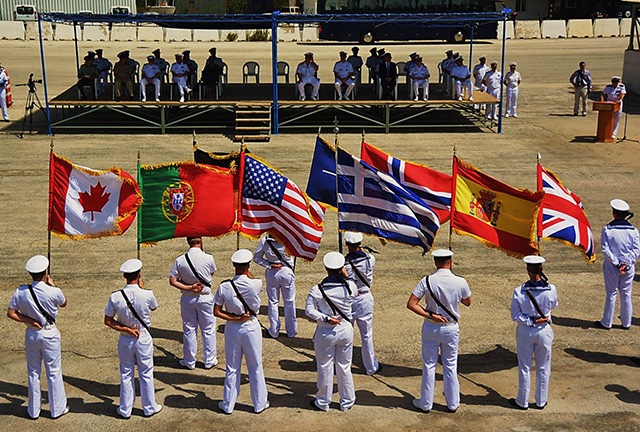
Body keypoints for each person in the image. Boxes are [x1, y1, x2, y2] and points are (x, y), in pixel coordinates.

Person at [406, 249, 471, 413]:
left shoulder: (427, 281)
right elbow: (467, 302)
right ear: (451, 261)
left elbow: (411, 304)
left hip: (430, 326)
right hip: (451, 327)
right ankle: (453, 403)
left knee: (429, 365)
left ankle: (426, 403)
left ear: (435, 262)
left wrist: (429, 314)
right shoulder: (460, 281)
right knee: (450, 365)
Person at [7, 255, 69, 419]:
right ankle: (57, 409)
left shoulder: (21, 291)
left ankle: (33, 411)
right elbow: (63, 303)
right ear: (45, 272)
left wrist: (29, 321)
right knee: (54, 371)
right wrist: (53, 285)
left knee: (33, 372)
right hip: (49, 333)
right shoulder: (53, 291)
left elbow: (11, 313)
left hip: (32, 333)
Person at [104, 259, 162, 418]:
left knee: (126, 373)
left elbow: (108, 320)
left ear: (125, 276)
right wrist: (142, 289)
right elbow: (154, 307)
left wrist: (126, 328)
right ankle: (149, 407)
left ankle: (125, 409)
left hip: (125, 338)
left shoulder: (115, 296)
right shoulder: (147, 294)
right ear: (139, 275)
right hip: (143, 337)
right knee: (146, 372)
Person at [214, 249, 270, 414]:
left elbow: (216, 311)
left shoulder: (224, 286)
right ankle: (259, 403)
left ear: (233, 265)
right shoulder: (256, 283)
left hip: (232, 326)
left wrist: (236, 319)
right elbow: (252, 279)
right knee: (255, 366)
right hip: (251, 326)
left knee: (232, 367)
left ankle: (228, 404)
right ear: (248, 265)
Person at [306, 252, 357, 412]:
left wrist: (326, 318)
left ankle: (323, 401)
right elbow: (353, 292)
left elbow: (309, 311)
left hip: (325, 331)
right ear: (342, 268)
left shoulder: (317, 289)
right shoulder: (351, 286)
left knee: (324, 366)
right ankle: (347, 401)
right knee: (344, 366)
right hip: (345, 329)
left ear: (326, 268)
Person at [509, 255, 558, 411]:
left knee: (525, 366)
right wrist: (540, 318)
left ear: (527, 270)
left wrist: (531, 321)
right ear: (541, 269)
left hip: (525, 331)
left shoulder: (519, 291)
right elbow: (553, 305)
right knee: (544, 366)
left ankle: (522, 401)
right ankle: (541, 401)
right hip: (544, 330)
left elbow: (515, 316)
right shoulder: (552, 289)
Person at [169, 236, 218, 370]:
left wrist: (189, 287)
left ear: (187, 242)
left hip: (187, 297)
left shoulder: (180, 260)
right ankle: (209, 360)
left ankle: (189, 360)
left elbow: (173, 280)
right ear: (200, 241)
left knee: (189, 329)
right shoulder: (209, 258)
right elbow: (211, 273)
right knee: (208, 329)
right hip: (205, 297)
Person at [596, 199, 640, 330]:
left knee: (611, 293)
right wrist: (626, 263)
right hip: (628, 267)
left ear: (614, 213)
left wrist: (617, 263)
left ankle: (607, 322)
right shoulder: (633, 230)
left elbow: (605, 249)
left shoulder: (608, 229)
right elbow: (636, 249)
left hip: (612, 266)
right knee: (626, 294)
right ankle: (626, 322)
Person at [344, 232, 380, 376]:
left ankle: (344, 364)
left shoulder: (343, 262)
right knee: (366, 334)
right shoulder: (370, 259)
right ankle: (371, 366)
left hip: (349, 298)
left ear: (347, 245)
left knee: (347, 333)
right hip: (364, 297)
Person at [254, 234, 297, 338]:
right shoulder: (289, 237)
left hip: (272, 272)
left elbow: (257, 258)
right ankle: (291, 331)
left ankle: (274, 331)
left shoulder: (265, 240)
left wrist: (269, 264)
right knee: (289, 302)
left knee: (273, 302)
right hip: (286, 272)